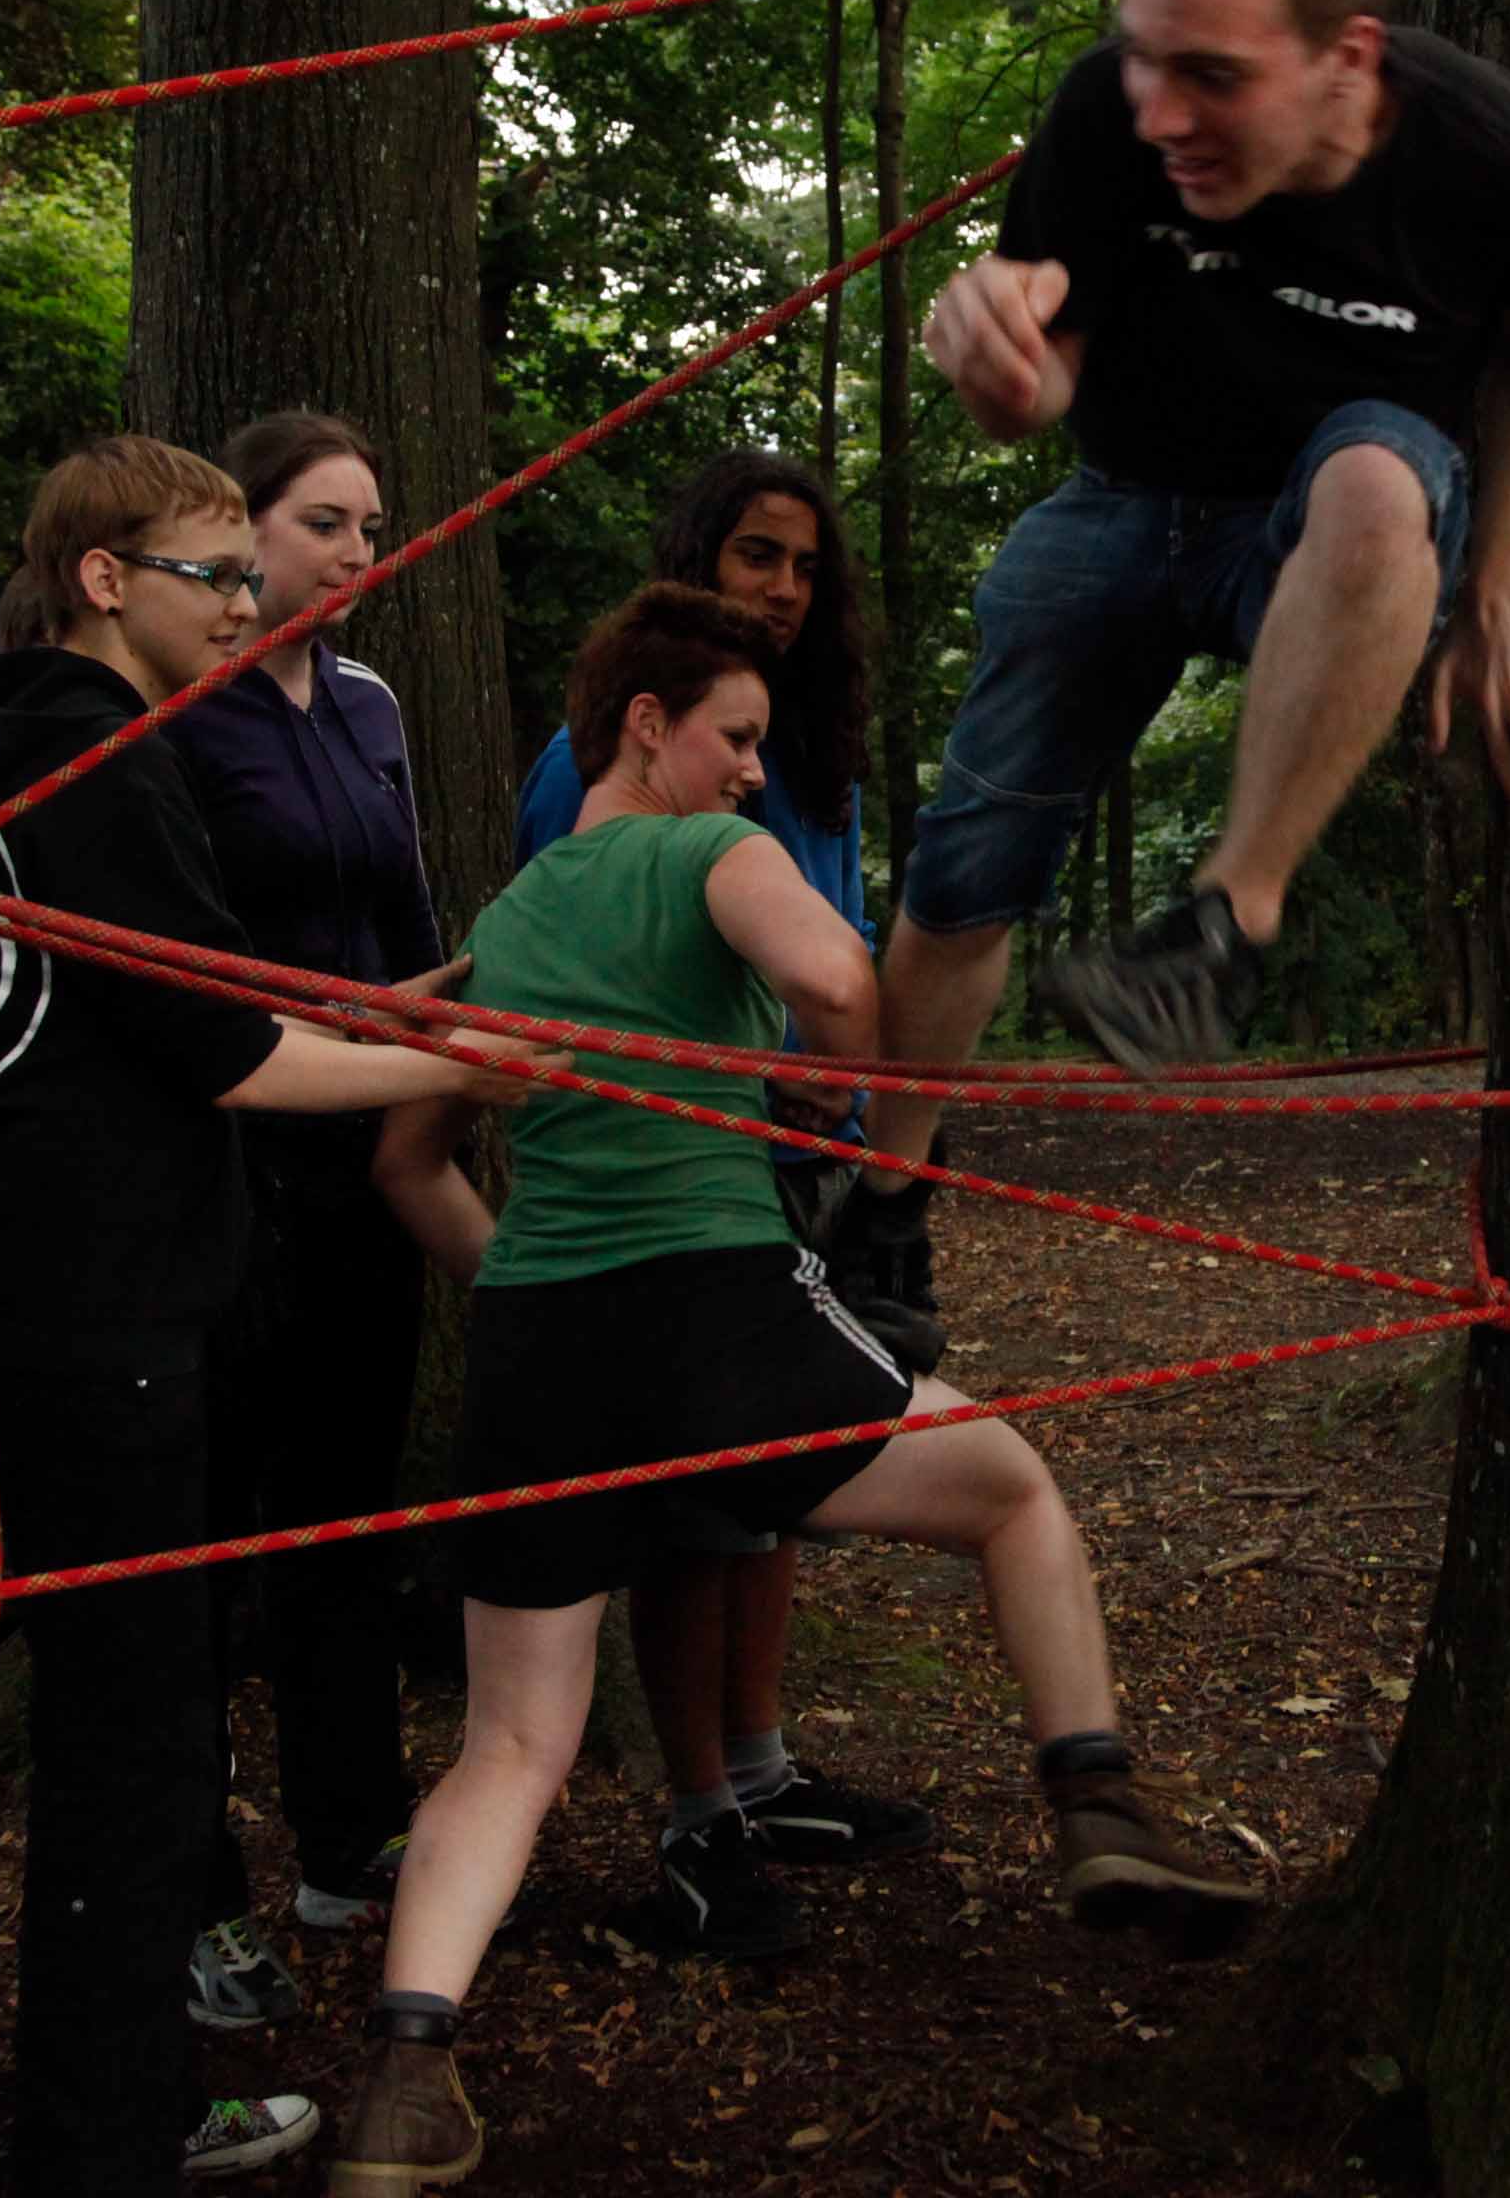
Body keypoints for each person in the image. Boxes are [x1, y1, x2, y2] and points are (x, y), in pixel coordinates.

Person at [334, 583, 1258, 2198]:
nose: (757, 772)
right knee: (1013, 1491)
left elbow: (408, 1161)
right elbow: (838, 980)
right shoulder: (710, 853)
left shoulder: (513, 916)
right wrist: (818, 1091)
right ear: (650, 727)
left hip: (542, 1350)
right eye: (739, 737)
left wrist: (524, 1289)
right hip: (719, 1309)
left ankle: (409, 2076)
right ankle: (1097, 1802)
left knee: (511, 1745)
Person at [825, 0, 1510, 1333]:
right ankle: (887, 1201)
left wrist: (1506, 585)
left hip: (1329, 524)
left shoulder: (1493, 158)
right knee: (963, 877)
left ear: (1347, 56)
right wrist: (997, 367)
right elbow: (1042, 379)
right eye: (1142, 56)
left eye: (1212, 76)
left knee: (1378, 477)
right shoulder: (1103, 118)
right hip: (1125, 499)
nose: (1162, 110)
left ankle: (1220, 932)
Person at [0, 436, 531, 2198]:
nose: (249, 604)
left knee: (127, 1707)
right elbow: (227, 1052)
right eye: (221, 573)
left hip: (68, 1274)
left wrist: (418, 1007)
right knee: (129, 1731)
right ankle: (107, 2130)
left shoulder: (26, 736)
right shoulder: (99, 759)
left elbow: (187, 993)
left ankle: (108, 2102)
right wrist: (464, 1060)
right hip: (100, 1288)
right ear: (106, 579)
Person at [509, 451, 930, 1961]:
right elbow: (578, 973)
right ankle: (698, 1814)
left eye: (808, 566)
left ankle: (762, 1765)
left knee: (781, 1478)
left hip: (811, 1159)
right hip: (677, 1176)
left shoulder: (805, 753)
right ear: (699, 560)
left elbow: (838, 952)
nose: (785, 587)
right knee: (693, 1502)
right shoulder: (604, 766)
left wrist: (859, 1126)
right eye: (757, 555)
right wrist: (757, 1085)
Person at [161, 411, 460, 2001]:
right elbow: (184, 963)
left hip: (360, 1159)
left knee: (343, 1508)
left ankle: (352, 1840)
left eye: (371, 527)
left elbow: (405, 918)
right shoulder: (174, 708)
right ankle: (191, 1888)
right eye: (326, 524)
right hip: (226, 1158)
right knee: (206, 1535)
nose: (358, 554)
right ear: (245, 534)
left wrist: (447, 1059)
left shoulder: (370, 703)